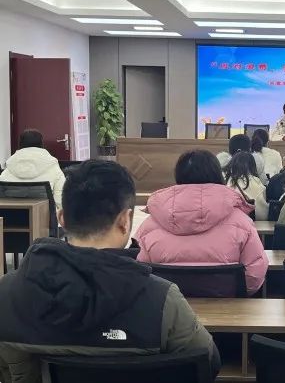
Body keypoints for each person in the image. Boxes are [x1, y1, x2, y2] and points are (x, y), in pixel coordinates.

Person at [0, 160, 220, 382]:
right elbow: (207, 363)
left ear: (62, 218)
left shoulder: (7, 293)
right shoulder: (163, 300)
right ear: (125, 220)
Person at [136, 150, 268, 296]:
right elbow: (254, 274)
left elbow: (140, 273)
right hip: (226, 306)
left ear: (178, 176)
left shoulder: (150, 224)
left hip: (166, 307)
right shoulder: (242, 222)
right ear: (218, 175)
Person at [0, 129, 66, 209]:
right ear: (41, 144)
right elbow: (61, 201)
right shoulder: (53, 167)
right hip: (44, 216)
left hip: (10, 216)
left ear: (20, 145)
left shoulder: (8, 169)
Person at [226, 152, 268, 220]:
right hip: (251, 222)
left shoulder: (228, 182)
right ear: (253, 166)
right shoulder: (256, 182)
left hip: (232, 221)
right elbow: (262, 215)